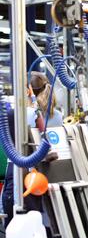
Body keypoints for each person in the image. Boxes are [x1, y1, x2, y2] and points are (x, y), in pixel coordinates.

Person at [1, 72, 60, 228]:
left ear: (27, 90)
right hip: (49, 174)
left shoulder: (19, 114)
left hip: (22, 172)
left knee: (17, 221)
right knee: (43, 222)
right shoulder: (57, 115)